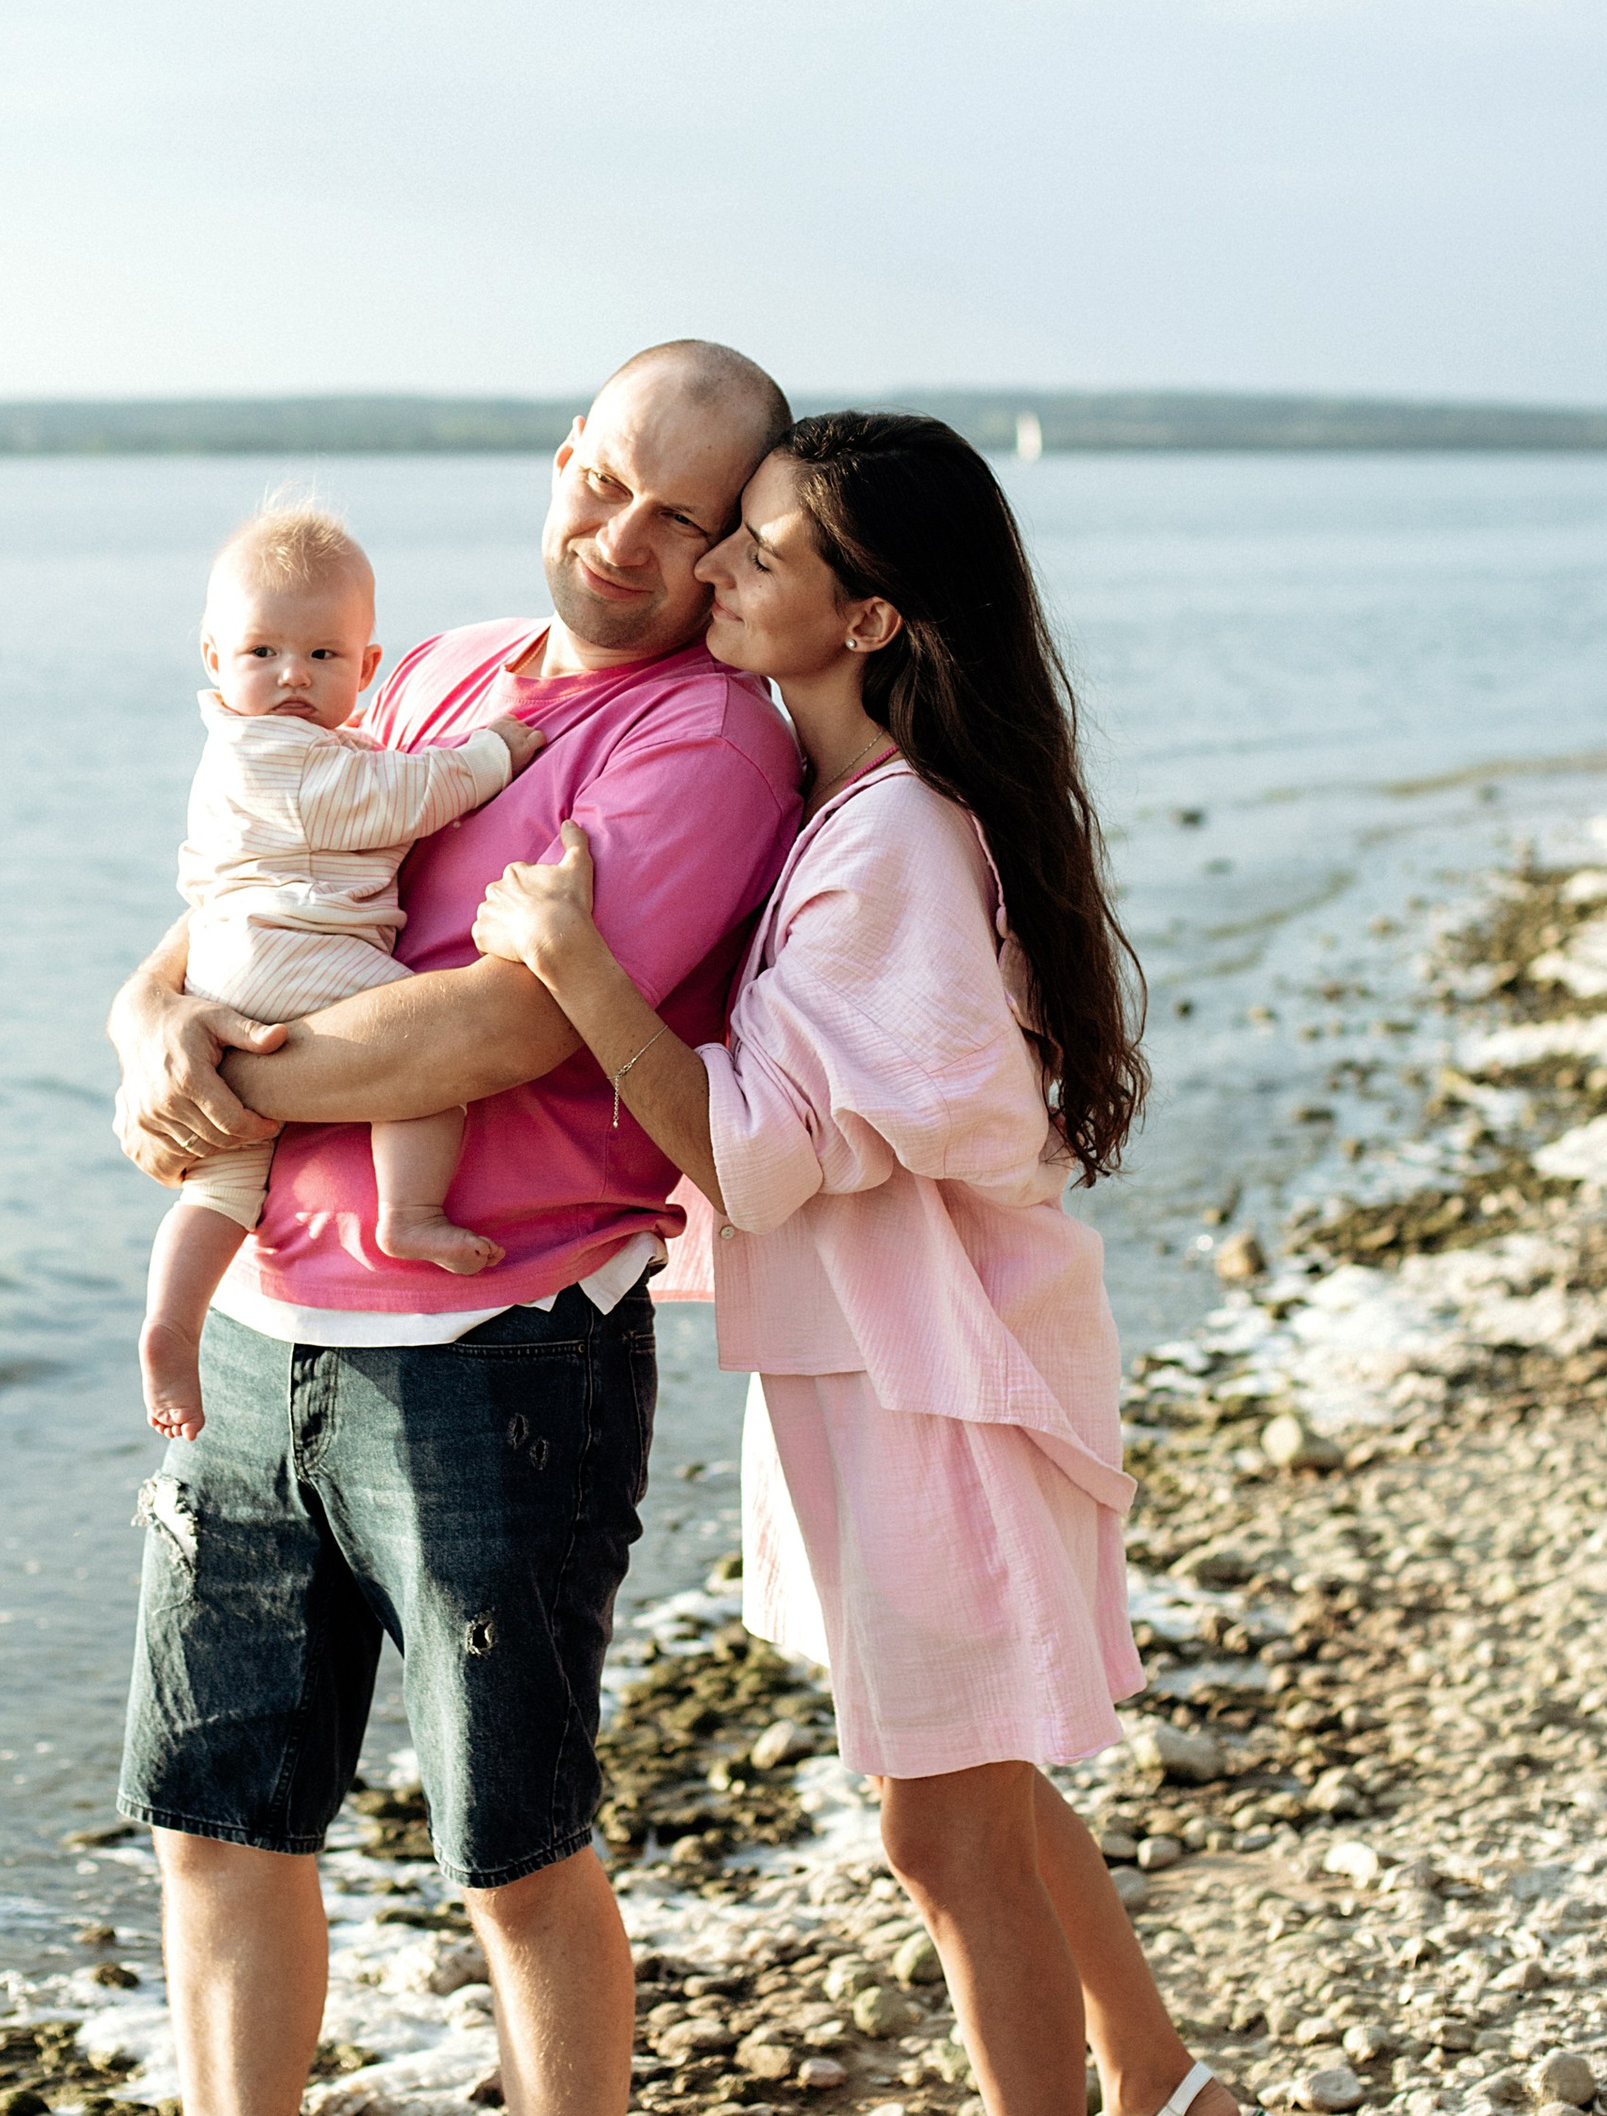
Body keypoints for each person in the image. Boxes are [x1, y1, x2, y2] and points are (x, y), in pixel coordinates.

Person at [472, 410, 1235, 2116]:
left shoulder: (889, 839)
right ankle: (1168, 2084)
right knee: (982, 1778)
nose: (718, 568)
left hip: (934, 1379)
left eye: (761, 547)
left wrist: (568, 959)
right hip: (888, 1360)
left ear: (871, 617)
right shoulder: (854, 810)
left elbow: (749, 1143)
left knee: (939, 1827)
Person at [105, 340, 805, 2116]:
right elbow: (227, 908)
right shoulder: (413, 670)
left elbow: (506, 1025)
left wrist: (223, 1095)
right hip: (264, 1341)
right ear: (562, 457)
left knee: (512, 1854)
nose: (625, 537)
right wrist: (148, 1032)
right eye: (606, 481)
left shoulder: (704, 741)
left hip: (498, 1361)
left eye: (684, 518)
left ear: (728, 550)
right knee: (217, 1822)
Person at [136, 503, 546, 1441]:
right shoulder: (284, 756)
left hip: (230, 968)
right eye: (263, 653)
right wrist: (495, 750)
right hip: (296, 954)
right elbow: (406, 795)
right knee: (423, 1055)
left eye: (322, 657)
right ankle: (408, 1213)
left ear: (367, 670)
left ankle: (171, 1319)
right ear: (214, 658)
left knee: (227, 1179)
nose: (291, 676)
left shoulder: (250, 751)